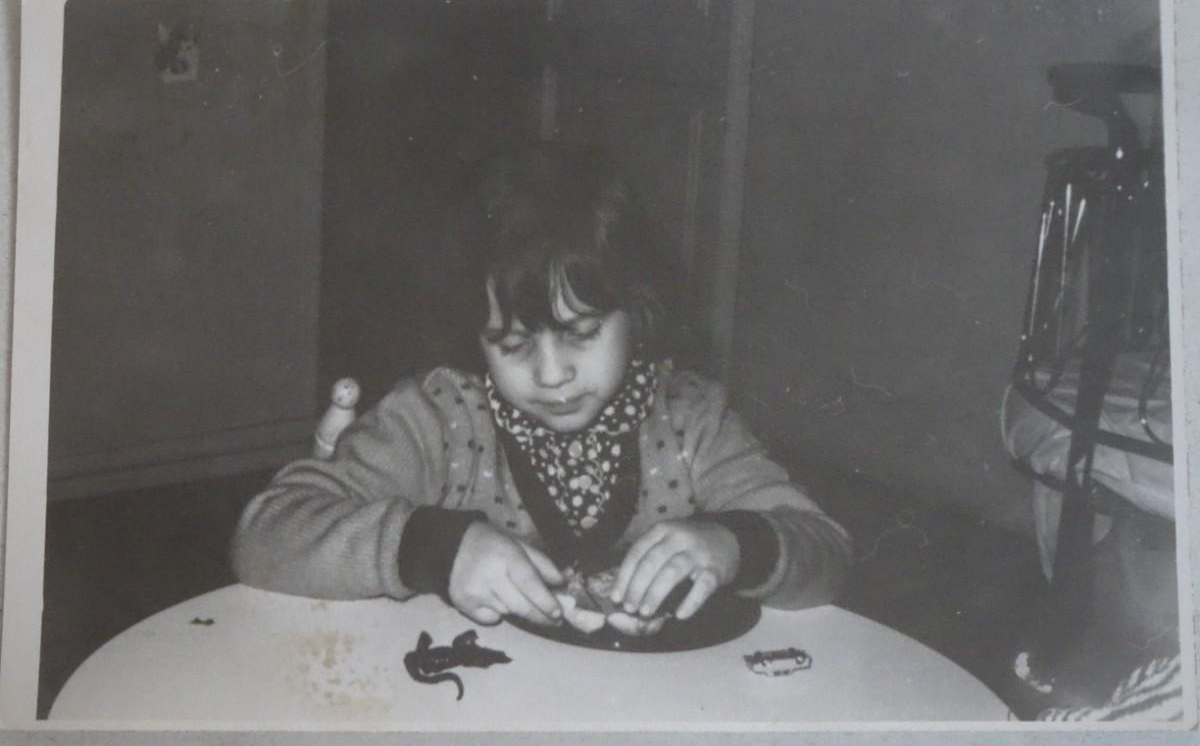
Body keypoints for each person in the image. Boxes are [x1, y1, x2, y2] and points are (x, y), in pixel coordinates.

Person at [231, 142, 851, 635]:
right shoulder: (438, 419)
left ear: (637, 312)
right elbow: (265, 534)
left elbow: (826, 551)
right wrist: (431, 548)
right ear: (474, 337)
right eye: (512, 343)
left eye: (580, 333)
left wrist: (734, 544)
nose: (552, 375)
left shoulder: (692, 421)